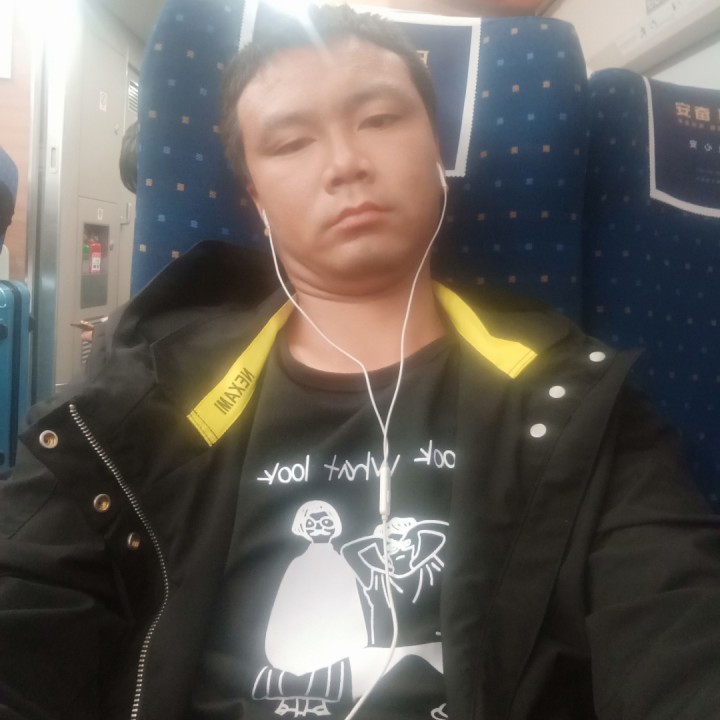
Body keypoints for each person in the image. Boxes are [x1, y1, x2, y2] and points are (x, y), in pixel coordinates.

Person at [1, 5, 720, 720]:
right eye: (290, 142)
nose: (345, 163)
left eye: (379, 118)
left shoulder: (573, 396)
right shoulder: (136, 405)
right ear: (257, 199)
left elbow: (675, 620)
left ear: (435, 149)